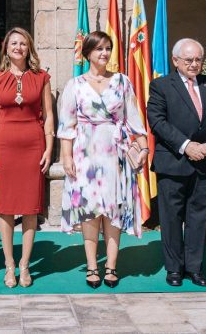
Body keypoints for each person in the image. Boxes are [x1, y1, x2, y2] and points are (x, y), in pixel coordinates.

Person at [58, 31, 148, 289]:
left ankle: (111, 266)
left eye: (108, 48)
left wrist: (143, 149)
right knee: (89, 212)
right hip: (84, 153)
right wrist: (66, 158)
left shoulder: (122, 81)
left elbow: (135, 119)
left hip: (116, 153)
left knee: (113, 210)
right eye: (99, 49)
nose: (105, 53)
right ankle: (91, 266)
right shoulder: (74, 85)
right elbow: (66, 126)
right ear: (87, 53)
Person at [147, 38, 206, 287]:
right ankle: (174, 269)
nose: (194, 64)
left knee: (198, 217)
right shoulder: (161, 86)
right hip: (173, 162)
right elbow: (157, 121)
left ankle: (195, 268)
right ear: (175, 61)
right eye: (189, 60)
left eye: (198, 60)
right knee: (171, 218)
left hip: (204, 161)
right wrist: (187, 146)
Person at [0, 27, 53, 288]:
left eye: (23, 43)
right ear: (6, 48)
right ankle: (9, 264)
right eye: (14, 43)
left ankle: (25, 264)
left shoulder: (42, 78)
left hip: (33, 148)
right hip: (4, 148)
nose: (18, 47)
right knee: (7, 209)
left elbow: (48, 117)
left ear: (29, 48)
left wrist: (48, 149)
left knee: (30, 208)